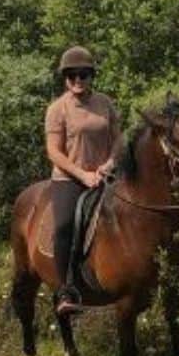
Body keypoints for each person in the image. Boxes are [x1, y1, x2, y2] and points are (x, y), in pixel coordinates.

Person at [44, 46, 121, 316]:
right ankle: (66, 289)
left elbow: (118, 140)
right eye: (72, 75)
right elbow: (54, 151)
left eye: (84, 74)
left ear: (91, 76)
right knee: (64, 226)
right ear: (65, 78)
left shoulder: (105, 103)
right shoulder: (57, 109)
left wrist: (109, 164)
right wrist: (83, 175)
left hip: (105, 176)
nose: (78, 80)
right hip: (69, 178)